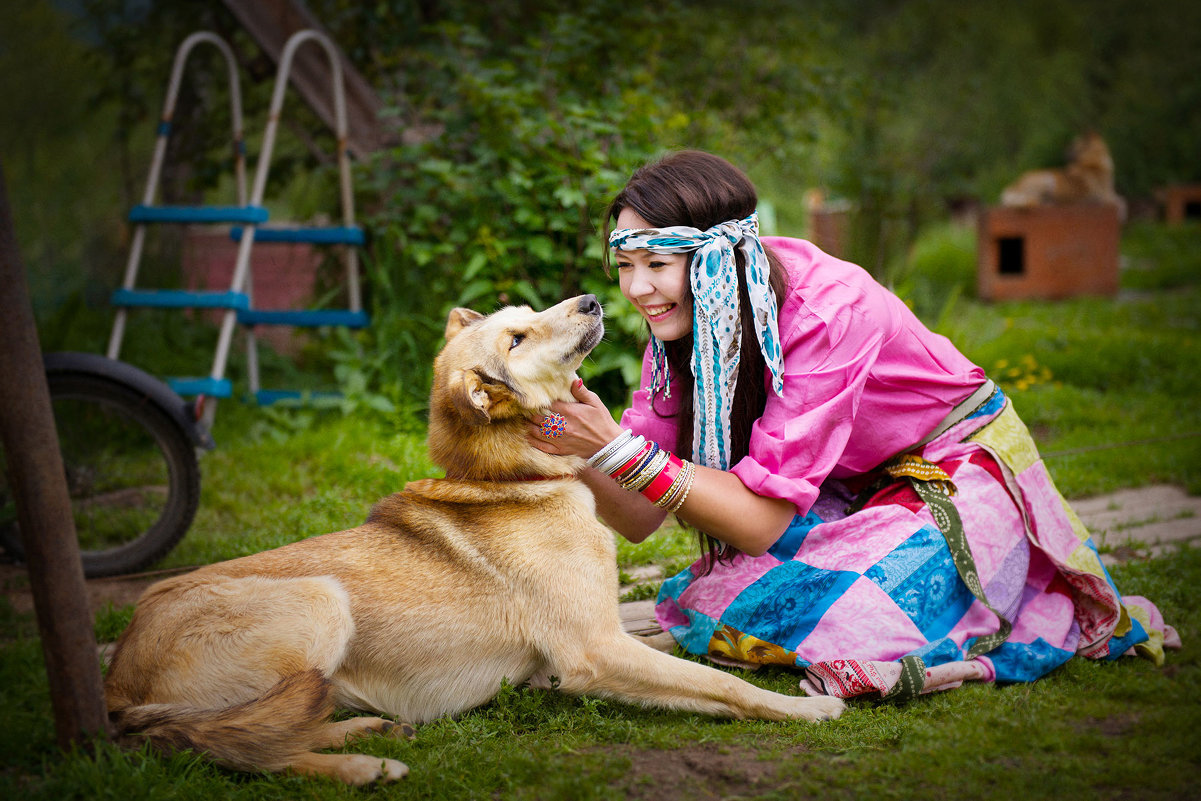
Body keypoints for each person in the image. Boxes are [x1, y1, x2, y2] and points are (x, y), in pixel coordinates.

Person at [528, 150, 1177, 700]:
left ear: (717, 257)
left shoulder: (825, 308)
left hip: (952, 462)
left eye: (657, 263)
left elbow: (757, 520)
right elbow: (639, 517)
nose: (637, 288)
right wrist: (569, 437)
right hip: (848, 482)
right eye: (624, 265)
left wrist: (614, 447)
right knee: (745, 595)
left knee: (856, 618)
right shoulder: (672, 337)